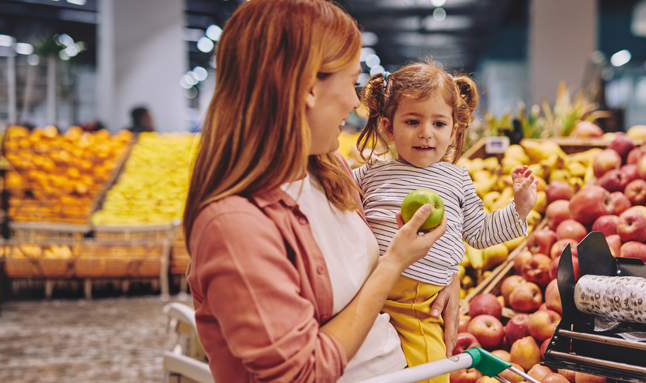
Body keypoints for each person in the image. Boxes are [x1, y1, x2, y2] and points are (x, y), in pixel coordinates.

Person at [181, 1, 459, 382]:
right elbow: (302, 373)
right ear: (309, 87)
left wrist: (443, 270)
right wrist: (394, 264)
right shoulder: (234, 226)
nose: (354, 101)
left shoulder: (330, 169)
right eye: (350, 81)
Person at [353, 62, 538, 381]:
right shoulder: (371, 173)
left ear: (453, 130)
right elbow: (334, 192)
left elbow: (480, 233)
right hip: (368, 288)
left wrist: (518, 208)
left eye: (439, 123)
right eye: (412, 121)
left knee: (430, 371)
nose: (426, 132)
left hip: (420, 303)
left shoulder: (457, 179)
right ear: (388, 127)